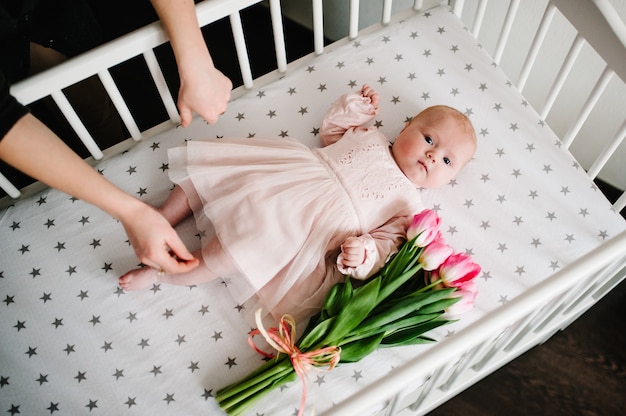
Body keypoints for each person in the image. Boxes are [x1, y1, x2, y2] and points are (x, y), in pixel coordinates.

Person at [119, 84, 477, 322]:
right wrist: (356, 108)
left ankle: (164, 273)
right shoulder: (372, 135)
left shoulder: (410, 207)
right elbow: (331, 132)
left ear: (451, 178)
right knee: (213, 175)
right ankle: (162, 216)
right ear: (405, 128)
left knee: (228, 255)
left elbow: (387, 246)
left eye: (447, 161)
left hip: (305, 229)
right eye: (429, 138)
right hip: (288, 176)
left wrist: (363, 253)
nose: (432, 155)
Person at [0, 0, 232, 273]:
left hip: (51, 16)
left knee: (93, 104)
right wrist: (132, 212)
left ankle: (111, 145)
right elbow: (5, 120)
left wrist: (197, 63)